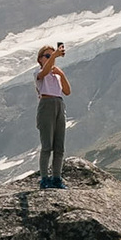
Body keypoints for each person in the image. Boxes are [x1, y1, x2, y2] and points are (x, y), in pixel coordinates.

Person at [34, 43, 71, 188]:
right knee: (47, 145)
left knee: (59, 146)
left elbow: (67, 91)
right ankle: (44, 179)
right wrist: (54, 56)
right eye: (47, 56)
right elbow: (43, 73)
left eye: (52, 56)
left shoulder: (56, 75)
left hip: (59, 104)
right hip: (46, 104)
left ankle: (57, 178)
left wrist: (61, 74)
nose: (51, 58)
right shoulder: (38, 73)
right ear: (40, 59)